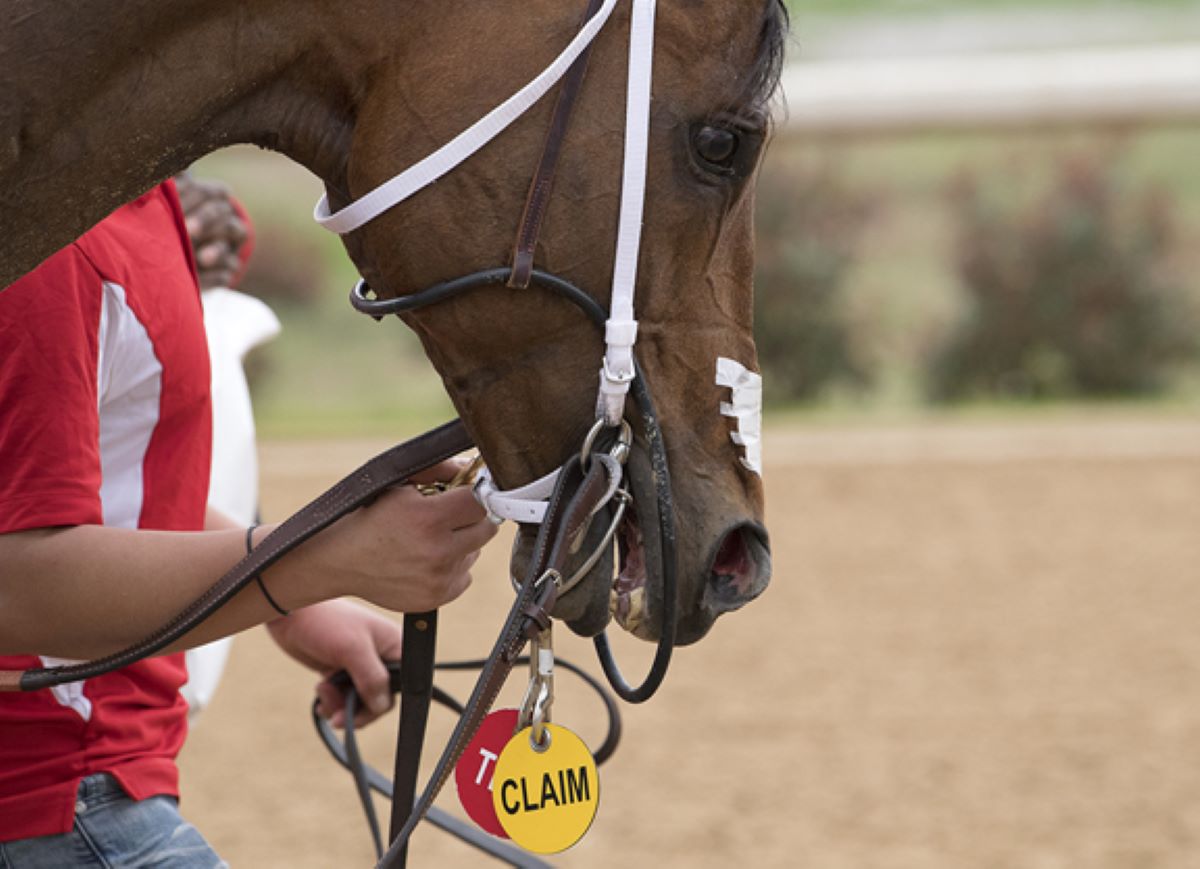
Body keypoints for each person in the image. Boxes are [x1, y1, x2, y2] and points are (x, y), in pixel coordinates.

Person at [0, 178, 498, 867]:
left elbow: (123, 477)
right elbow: (16, 588)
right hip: (56, 797)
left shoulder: (138, 202)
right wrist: (319, 559)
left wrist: (293, 605)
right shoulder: (51, 241)